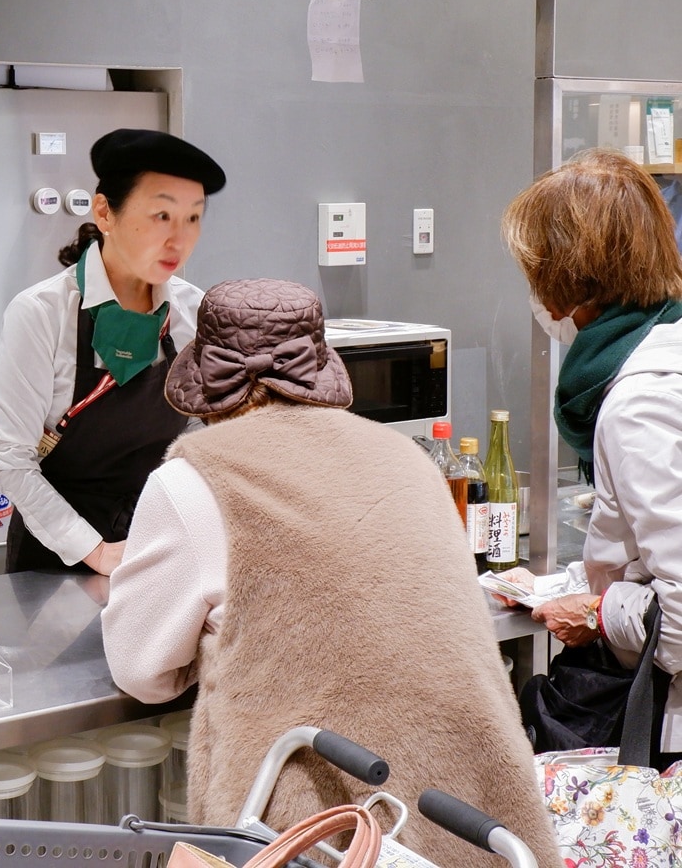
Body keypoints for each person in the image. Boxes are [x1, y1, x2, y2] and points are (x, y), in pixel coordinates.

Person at [102, 279, 561, 868]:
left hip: (315, 829)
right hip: (472, 810)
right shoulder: (409, 457)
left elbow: (142, 669)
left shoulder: (192, 479)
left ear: (204, 381)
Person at [0, 128, 225, 574]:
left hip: (158, 547)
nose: (179, 239)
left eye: (193, 218)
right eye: (162, 215)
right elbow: (9, 460)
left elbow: (198, 425)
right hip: (56, 558)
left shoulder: (193, 311)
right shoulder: (41, 314)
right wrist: (95, 551)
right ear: (104, 211)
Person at [500, 147, 682, 766]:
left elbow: (681, 616)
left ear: (566, 276)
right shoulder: (665, 344)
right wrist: (565, 584)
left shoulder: (636, 404)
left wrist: (599, 614)